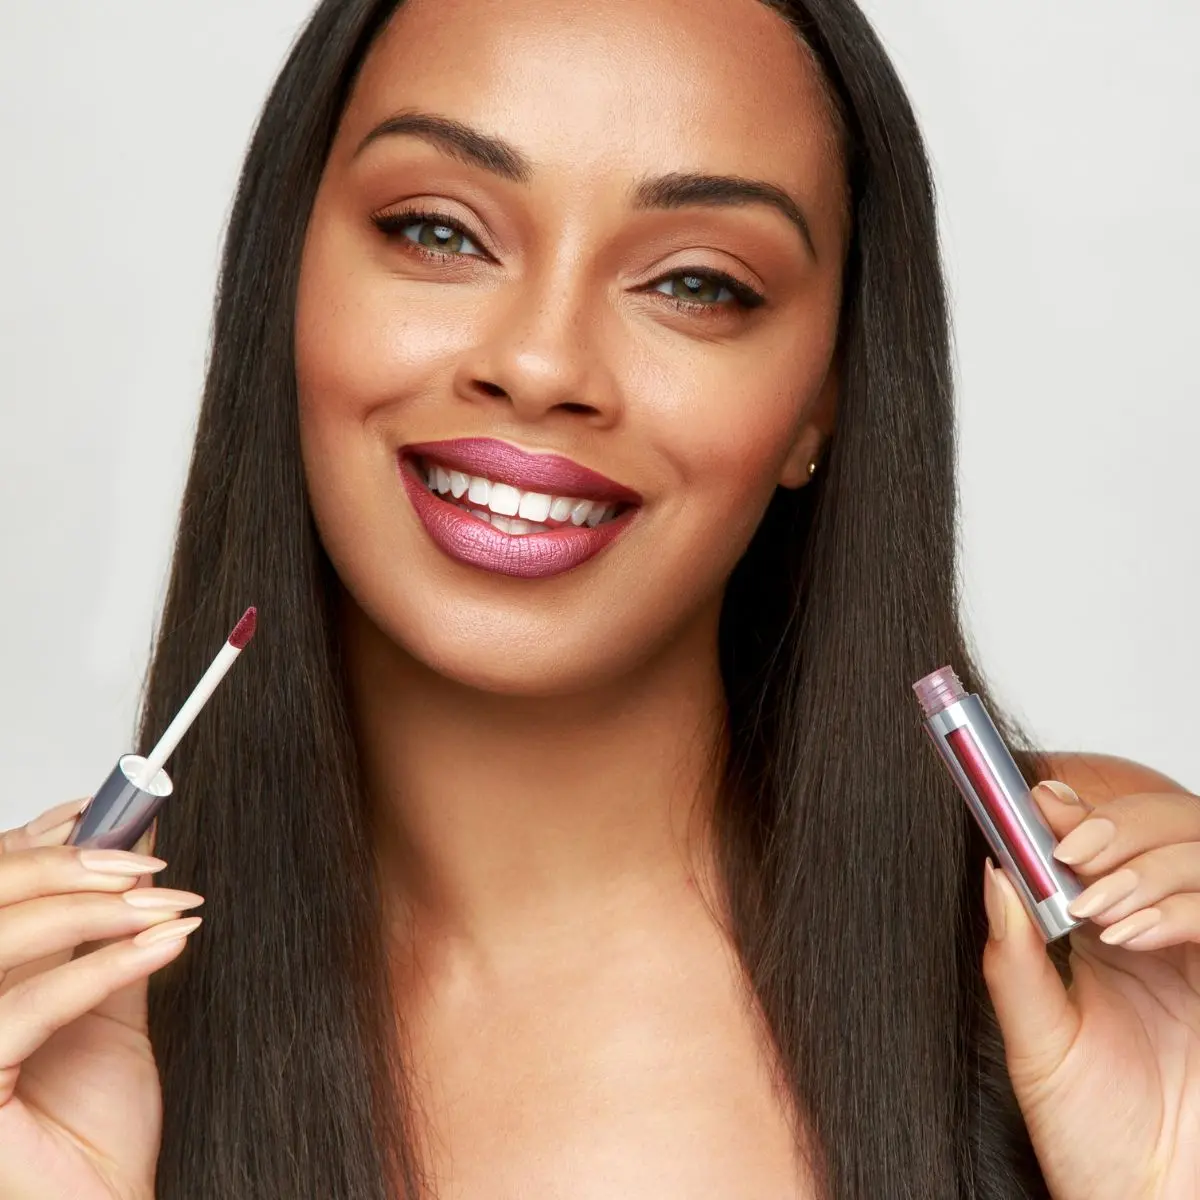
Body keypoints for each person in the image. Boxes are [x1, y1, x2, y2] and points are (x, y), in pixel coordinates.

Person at [1, 0, 1196, 1196]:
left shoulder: (1095, 928)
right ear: (288, 279)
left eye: (697, 283)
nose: (540, 364)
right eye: (438, 231)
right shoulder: (56, 1012)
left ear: (823, 397)